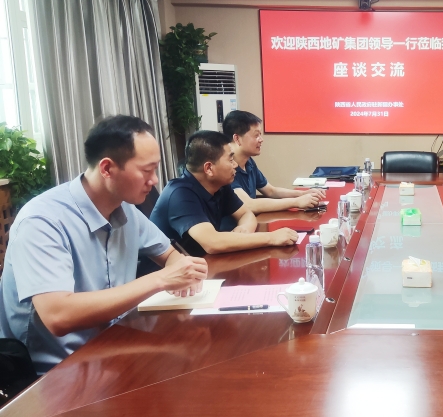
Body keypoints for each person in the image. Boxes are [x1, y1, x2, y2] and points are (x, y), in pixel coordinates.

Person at [0, 116, 208, 374]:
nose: (155, 180)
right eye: (147, 171)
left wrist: (183, 273)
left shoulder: (126, 210)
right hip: (54, 374)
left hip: (113, 351)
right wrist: (161, 280)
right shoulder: (42, 221)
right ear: (107, 168)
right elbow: (58, 316)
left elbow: (169, 255)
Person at [150, 130, 298, 256]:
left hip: (202, 264)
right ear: (209, 168)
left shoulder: (220, 186)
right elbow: (212, 243)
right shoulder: (180, 194)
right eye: (230, 159)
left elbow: (246, 214)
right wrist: (271, 238)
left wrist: (244, 229)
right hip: (167, 276)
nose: (235, 164)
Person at [222, 110, 324, 216]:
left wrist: (303, 194)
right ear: (237, 138)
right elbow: (249, 205)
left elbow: (271, 191)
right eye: (256, 135)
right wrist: (296, 202)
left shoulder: (249, 162)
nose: (261, 140)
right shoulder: (226, 168)